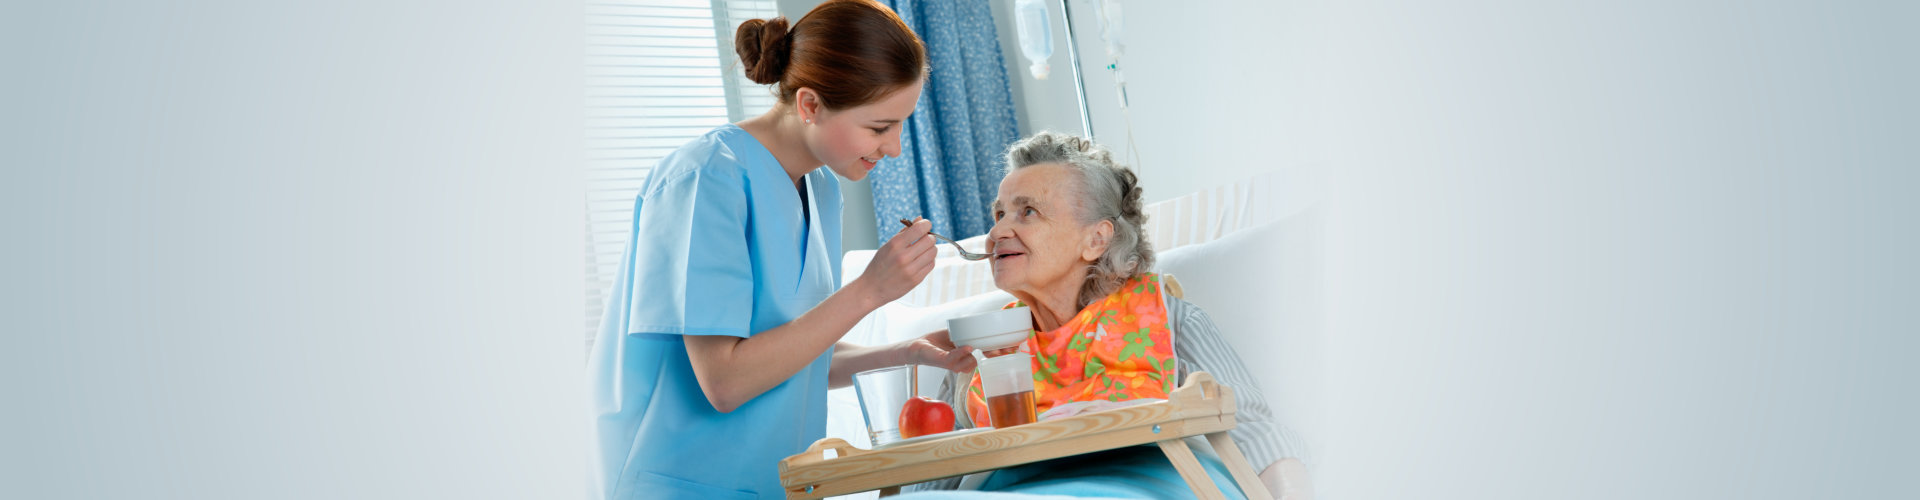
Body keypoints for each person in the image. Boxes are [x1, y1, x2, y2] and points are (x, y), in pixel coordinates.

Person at [587, 1, 976, 498]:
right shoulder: (705, 177)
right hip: (677, 481)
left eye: (901, 125)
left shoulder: (822, 191)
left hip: (773, 483)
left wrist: (905, 351)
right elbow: (725, 381)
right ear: (810, 105)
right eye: (879, 127)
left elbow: (796, 354)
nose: (895, 147)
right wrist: (869, 291)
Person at [926, 132, 1308, 498]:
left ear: (1096, 239)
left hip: (1150, 483)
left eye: (1027, 212)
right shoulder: (978, 350)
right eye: (998, 213)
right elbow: (928, 476)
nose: (998, 231)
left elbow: (1256, 434)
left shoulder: (1169, 320)